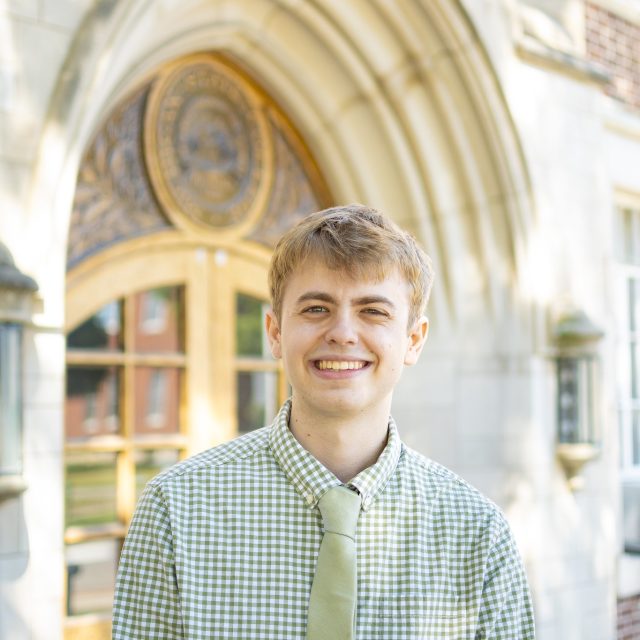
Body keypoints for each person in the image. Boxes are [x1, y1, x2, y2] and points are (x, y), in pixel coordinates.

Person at [112, 204, 535, 639]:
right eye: (316, 309)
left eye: (373, 311)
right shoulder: (175, 510)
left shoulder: (478, 535)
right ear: (275, 332)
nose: (343, 333)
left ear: (413, 340)